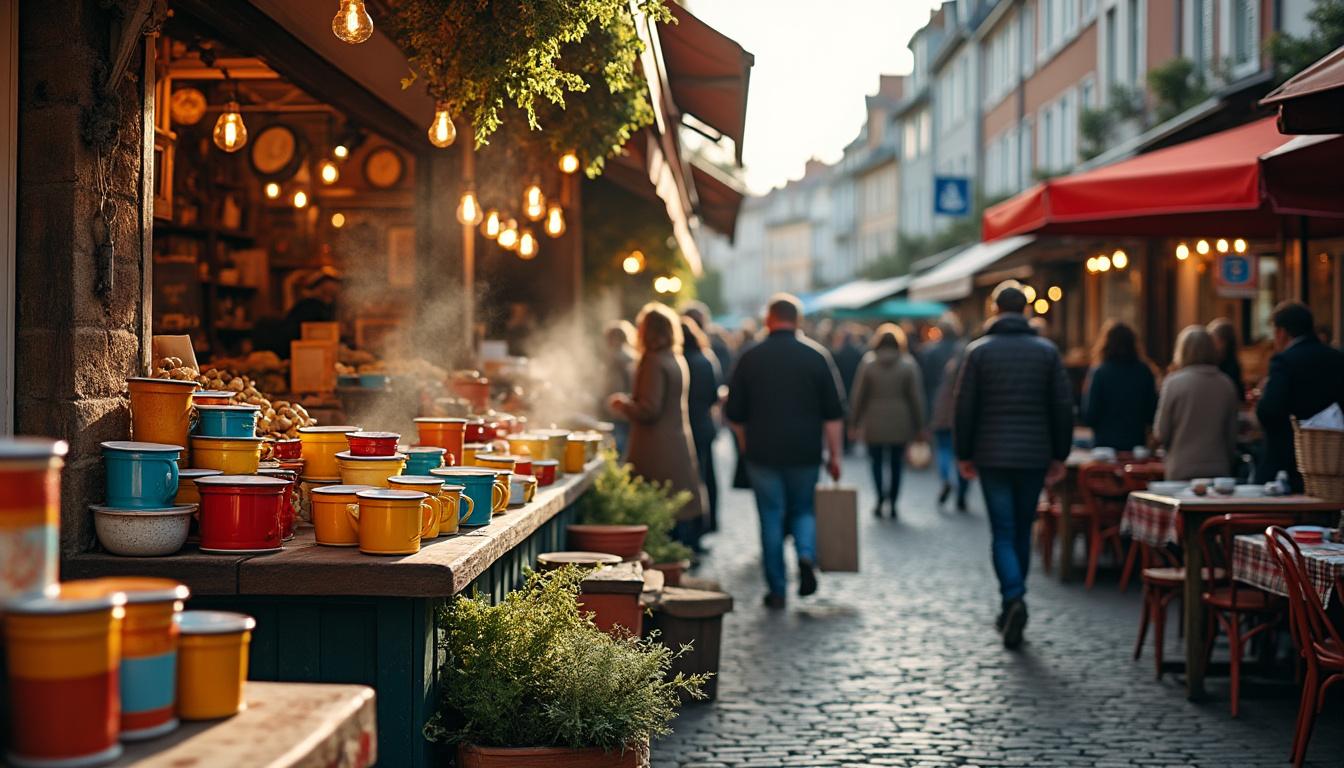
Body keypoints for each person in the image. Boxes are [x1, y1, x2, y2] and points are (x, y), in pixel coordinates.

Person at [953, 281, 1072, 649]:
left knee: (1003, 531)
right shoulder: (1046, 352)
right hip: (1034, 454)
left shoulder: (979, 352)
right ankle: (1014, 598)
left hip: (992, 455)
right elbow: (1061, 407)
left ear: (994, 310)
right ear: (1024, 310)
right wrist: (1059, 455)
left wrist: (964, 453)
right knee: (1023, 528)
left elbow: (965, 408)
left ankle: (1013, 597)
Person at [725, 294, 846, 609]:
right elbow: (833, 415)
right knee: (804, 509)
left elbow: (734, 414)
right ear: (799, 320)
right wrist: (835, 456)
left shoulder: (750, 357)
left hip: (762, 452)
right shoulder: (817, 356)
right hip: (805, 451)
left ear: (768, 319)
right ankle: (806, 554)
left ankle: (777, 589)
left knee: (771, 517)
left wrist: (744, 443)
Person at [608, 304, 706, 545]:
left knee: (657, 513)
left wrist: (622, 404)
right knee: (675, 510)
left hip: (655, 449)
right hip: (676, 443)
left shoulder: (653, 361)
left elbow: (649, 409)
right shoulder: (676, 358)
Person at [1255, 301, 1344, 489]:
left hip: (1288, 458)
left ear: (1281, 332)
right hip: (1333, 458)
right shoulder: (1336, 357)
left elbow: (1270, 410)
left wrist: (1263, 396)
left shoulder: (1284, 361)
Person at [848, 324, 925, 519]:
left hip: (874, 420)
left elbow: (858, 396)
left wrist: (854, 422)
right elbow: (916, 398)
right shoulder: (908, 364)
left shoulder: (868, 363)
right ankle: (893, 501)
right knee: (896, 463)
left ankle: (880, 496)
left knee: (876, 461)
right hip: (901, 420)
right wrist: (920, 426)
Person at [1154, 326, 1240, 481]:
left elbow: (1161, 432)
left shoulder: (1173, 383)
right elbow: (1231, 435)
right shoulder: (1226, 384)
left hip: (1181, 467)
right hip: (1218, 468)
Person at [1082, 321, 1158, 452]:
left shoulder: (1100, 372)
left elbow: (1090, 414)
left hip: (1104, 445)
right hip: (1135, 443)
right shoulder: (1144, 371)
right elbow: (1152, 412)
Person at [681, 316, 722, 547]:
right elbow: (714, 396)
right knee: (706, 478)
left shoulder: (680, 360)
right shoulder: (706, 359)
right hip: (704, 426)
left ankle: (690, 531)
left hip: (686, 428)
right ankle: (705, 524)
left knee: (689, 480)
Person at [930, 352, 970, 512]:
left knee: (944, 452)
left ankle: (946, 479)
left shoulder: (949, 375)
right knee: (963, 455)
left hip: (944, 420)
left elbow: (939, 400)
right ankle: (962, 493)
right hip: (963, 422)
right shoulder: (969, 379)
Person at [600, 320, 637, 455]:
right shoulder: (631, 356)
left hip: (619, 408)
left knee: (618, 446)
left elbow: (617, 384)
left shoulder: (619, 357)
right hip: (624, 407)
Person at [283, 267, 342, 348]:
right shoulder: (310, 306)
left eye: (331, 295)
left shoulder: (327, 306)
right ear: (316, 288)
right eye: (325, 293)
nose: (328, 299)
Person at [1207, 317, 1245, 401]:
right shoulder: (1210, 363)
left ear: (1224, 342)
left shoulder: (1231, 366)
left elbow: (1238, 394)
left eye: (1213, 339)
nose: (1209, 343)